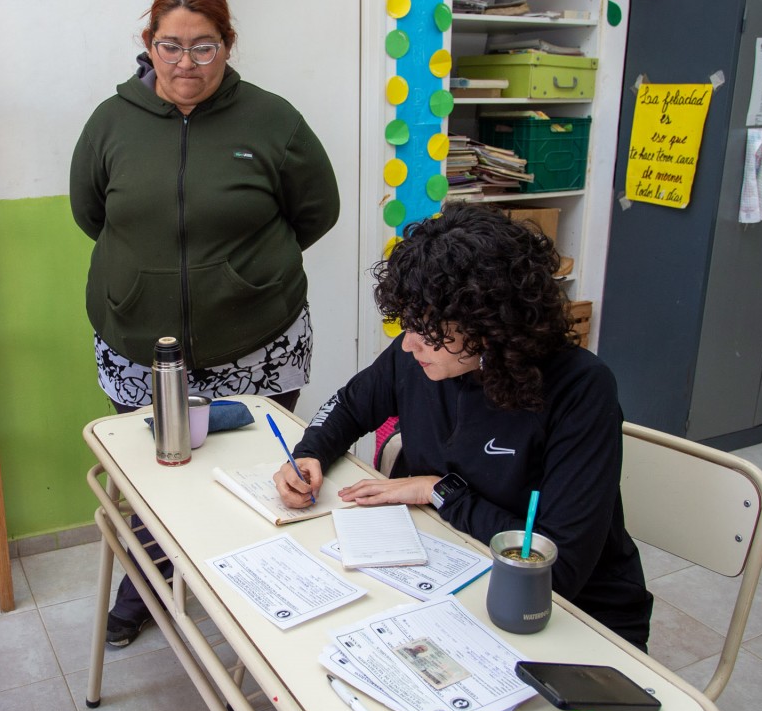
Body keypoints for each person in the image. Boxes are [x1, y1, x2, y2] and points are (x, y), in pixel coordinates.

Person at [70, 0, 340, 647]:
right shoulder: (112, 122)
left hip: (259, 342)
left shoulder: (273, 119)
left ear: (228, 44)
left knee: (257, 477)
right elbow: (89, 213)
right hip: (138, 343)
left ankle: (250, 596)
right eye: (170, 45)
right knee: (155, 482)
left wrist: (242, 276)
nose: (185, 63)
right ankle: (145, 587)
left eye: (204, 46)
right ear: (148, 43)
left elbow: (317, 210)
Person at [273, 204, 654, 650]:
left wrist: (439, 491)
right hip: (450, 571)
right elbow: (350, 405)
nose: (410, 342)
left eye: (429, 327)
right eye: (408, 323)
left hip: (570, 616)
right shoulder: (420, 355)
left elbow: (555, 567)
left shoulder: (580, 388)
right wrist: (309, 453)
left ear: (489, 321)